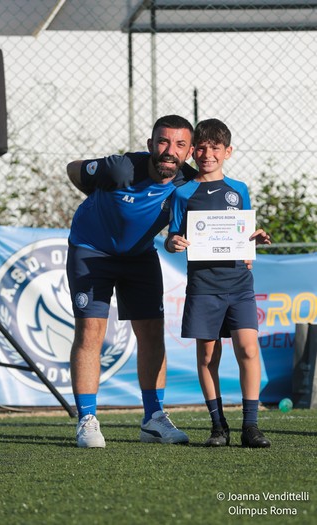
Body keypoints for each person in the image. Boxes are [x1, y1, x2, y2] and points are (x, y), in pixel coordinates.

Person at [66, 115, 197, 448]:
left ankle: (153, 419)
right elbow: (73, 168)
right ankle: (87, 420)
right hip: (91, 251)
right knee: (91, 331)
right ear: (151, 145)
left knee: (152, 331)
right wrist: (99, 197)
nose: (170, 151)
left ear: (190, 151)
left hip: (139, 256)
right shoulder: (120, 169)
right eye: (164, 142)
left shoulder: (189, 184)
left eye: (180, 144)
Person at [165, 118, 272, 448]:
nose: (207, 153)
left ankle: (250, 426)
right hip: (203, 285)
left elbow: (245, 232)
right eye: (201, 147)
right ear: (194, 151)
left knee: (248, 349)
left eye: (215, 147)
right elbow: (172, 236)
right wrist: (174, 243)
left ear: (228, 151)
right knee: (208, 357)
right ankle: (218, 426)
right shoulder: (182, 193)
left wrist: (254, 239)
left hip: (239, 283)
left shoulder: (239, 190)